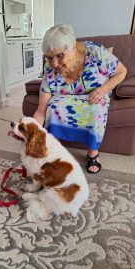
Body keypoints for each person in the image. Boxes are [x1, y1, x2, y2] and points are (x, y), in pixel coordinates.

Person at [33, 24, 127, 174]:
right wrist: (33, 135)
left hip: (94, 95)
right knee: (53, 105)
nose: (54, 64)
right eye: (49, 58)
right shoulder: (50, 68)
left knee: (95, 107)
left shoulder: (96, 53)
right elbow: (41, 109)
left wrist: (102, 90)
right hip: (66, 99)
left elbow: (122, 72)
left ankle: (93, 154)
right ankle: (53, 149)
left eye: (59, 56)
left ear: (73, 47)